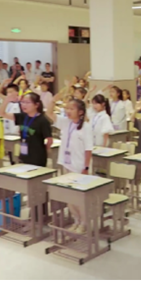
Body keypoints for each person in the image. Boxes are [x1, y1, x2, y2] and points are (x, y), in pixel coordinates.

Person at [46, 97, 92, 233]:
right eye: (67, 108)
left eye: (72, 109)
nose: (68, 111)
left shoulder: (86, 127)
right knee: (69, 196)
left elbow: (88, 149)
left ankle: (84, 223)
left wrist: (86, 167)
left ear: (81, 112)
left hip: (79, 166)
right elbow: (49, 113)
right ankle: (76, 220)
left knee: (80, 197)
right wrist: (53, 101)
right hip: (66, 164)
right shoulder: (66, 122)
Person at [0, 92, 52, 167]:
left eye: (27, 102)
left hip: (37, 156)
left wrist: (42, 150)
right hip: (23, 154)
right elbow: (1, 113)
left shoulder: (42, 120)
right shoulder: (22, 116)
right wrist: (7, 100)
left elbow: (49, 140)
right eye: (23, 102)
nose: (23, 105)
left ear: (36, 105)